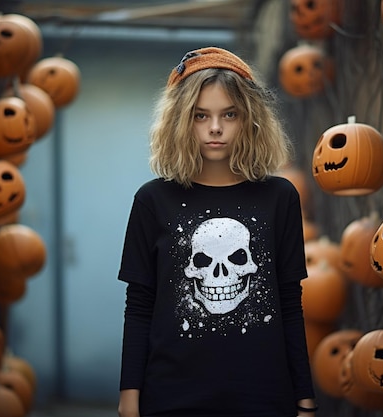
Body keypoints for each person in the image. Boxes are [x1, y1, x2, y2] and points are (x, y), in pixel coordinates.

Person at [117, 46, 318, 417]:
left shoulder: (280, 197)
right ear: (181, 120)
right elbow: (139, 306)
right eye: (200, 115)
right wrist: (129, 396)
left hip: (263, 398)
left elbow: (290, 303)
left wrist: (305, 400)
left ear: (250, 119)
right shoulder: (152, 200)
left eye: (229, 114)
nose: (215, 128)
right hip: (171, 398)